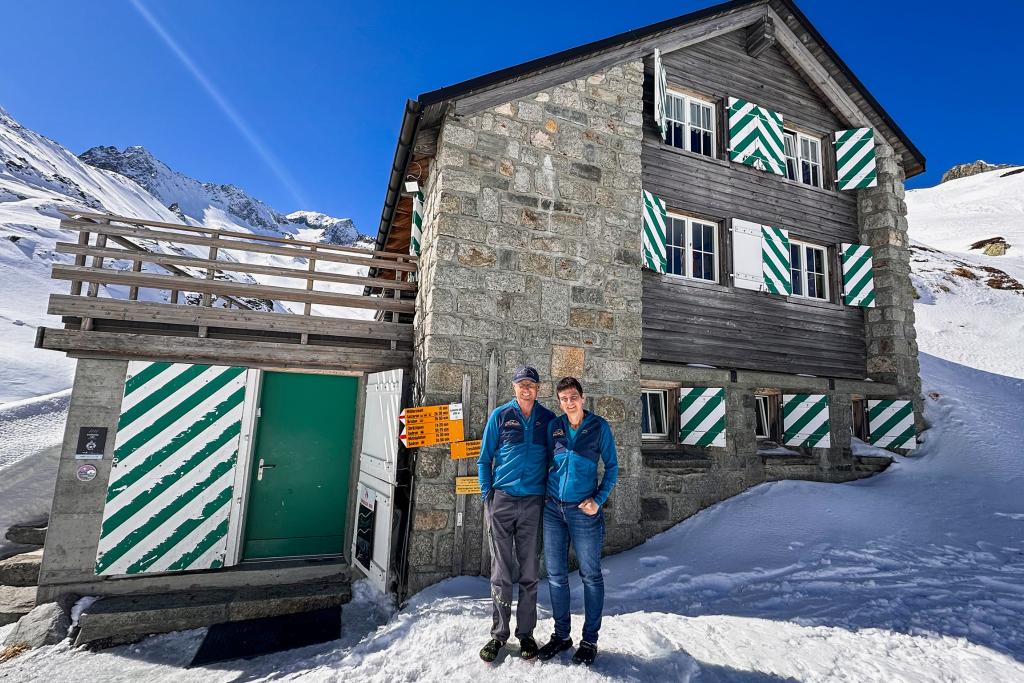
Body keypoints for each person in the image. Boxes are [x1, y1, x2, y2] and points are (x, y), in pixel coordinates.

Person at [476, 365, 556, 663]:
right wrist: (488, 496)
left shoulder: (547, 419)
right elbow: (484, 459)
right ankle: (499, 635)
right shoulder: (500, 416)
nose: (526, 389)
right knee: (501, 572)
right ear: (514, 387)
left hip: (533, 503)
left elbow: (555, 459)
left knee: (529, 571)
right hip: (502, 501)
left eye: (531, 385)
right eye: (522, 384)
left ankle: (526, 634)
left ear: (538, 389)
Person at [537, 376, 619, 666]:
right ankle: (561, 636)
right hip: (553, 510)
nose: (569, 402)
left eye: (573, 397)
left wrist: (598, 500)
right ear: (559, 402)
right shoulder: (554, 427)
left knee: (590, 576)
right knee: (556, 576)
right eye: (564, 399)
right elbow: (547, 462)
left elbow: (612, 467)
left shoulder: (599, 427)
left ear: (582, 398)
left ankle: (589, 640)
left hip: (583, 511)